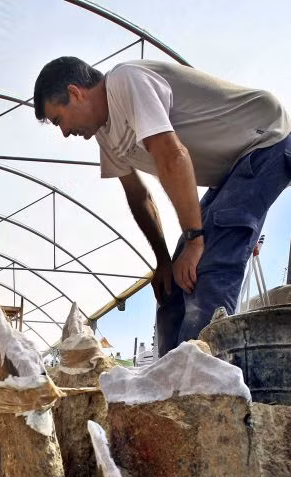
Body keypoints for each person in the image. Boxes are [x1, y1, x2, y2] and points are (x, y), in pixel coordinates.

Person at [33, 57, 291, 355]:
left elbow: (172, 155)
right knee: (172, 286)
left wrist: (195, 241)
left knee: (208, 265)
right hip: (228, 171)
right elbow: (138, 197)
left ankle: (202, 381)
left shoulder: (125, 82)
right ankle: (165, 384)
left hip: (265, 139)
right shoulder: (106, 135)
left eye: (58, 119)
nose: (64, 132)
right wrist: (163, 261)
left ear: (75, 93)